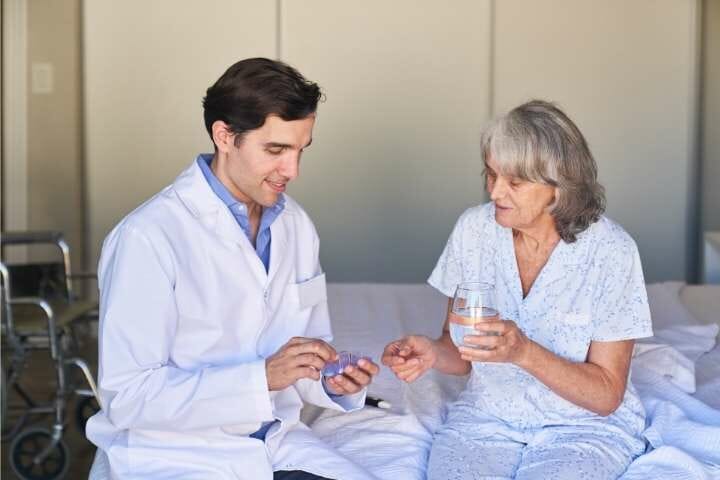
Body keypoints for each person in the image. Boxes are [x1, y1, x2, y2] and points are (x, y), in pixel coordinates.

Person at [86, 58, 379, 480]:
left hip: (277, 446)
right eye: (276, 150)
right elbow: (128, 397)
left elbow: (306, 352)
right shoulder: (147, 237)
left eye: (300, 150)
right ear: (225, 136)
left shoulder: (295, 224)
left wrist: (332, 380)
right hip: (177, 455)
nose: (292, 171)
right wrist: (259, 380)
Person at [382, 100, 653, 479]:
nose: (494, 193)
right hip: (486, 421)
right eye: (491, 175)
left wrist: (524, 352)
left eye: (515, 182)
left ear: (558, 188)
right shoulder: (474, 231)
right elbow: (460, 351)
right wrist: (430, 352)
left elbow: (606, 394)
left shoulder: (612, 251)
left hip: (584, 429)